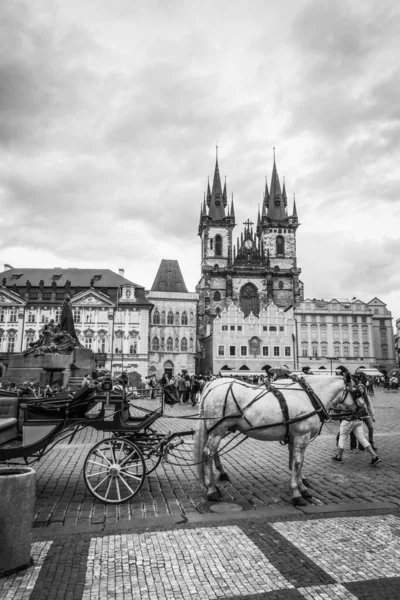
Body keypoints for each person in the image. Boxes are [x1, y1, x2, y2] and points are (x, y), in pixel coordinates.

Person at [332, 374, 381, 466]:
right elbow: (363, 404)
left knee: (343, 437)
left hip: (349, 419)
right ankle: (374, 456)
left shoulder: (346, 392)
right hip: (359, 419)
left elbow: (339, 405)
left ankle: (338, 456)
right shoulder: (357, 391)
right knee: (362, 438)